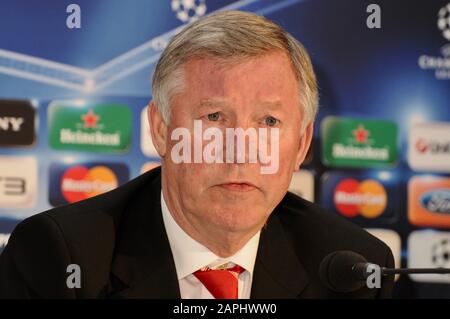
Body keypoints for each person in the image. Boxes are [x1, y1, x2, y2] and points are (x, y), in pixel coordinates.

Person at [0, 10, 394, 299]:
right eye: (214, 117)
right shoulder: (61, 257)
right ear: (161, 130)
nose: (241, 152)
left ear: (303, 144)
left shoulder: (351, 268)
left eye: (269, 122)